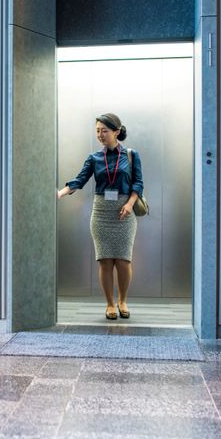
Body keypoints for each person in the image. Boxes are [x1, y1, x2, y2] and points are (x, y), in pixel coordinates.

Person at [57, 113, 144, 320]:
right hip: (101, 212)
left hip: (125, 210)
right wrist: (59, 193)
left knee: (123, 260)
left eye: (104, 130)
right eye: (97, 131)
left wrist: (130, 205)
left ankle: (122, 300)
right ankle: (109, 304)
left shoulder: (132, 155)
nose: (100, 134)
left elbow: (138, 183)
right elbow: (80, 180)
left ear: (116, 131)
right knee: (105, 260)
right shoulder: (94, 158)